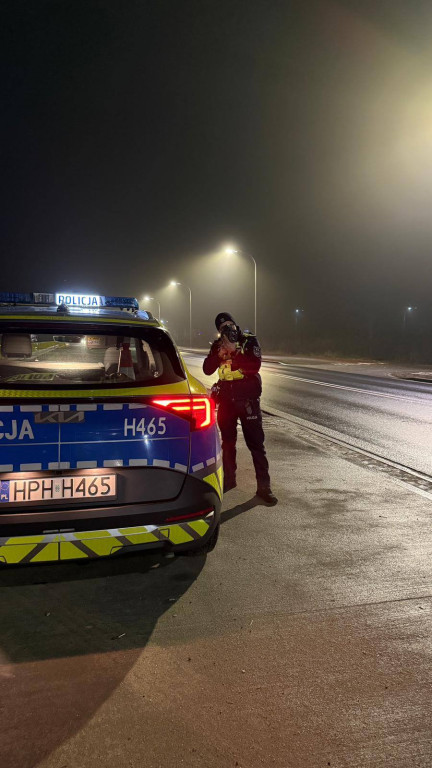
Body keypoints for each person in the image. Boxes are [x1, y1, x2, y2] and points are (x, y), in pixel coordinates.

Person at [203, 312, 277, 505]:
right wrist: (217, 354)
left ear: (235, 324)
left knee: (256, 445)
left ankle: (264, 487)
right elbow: (207, 369)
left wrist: (234, 351)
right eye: (222, 328)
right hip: (227, 400)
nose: (227, 329)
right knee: (227, 443)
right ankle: (229, 480)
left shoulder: (248, 341)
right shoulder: (218, 345)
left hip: (248, 401)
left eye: (229, 324)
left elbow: (254, 365)